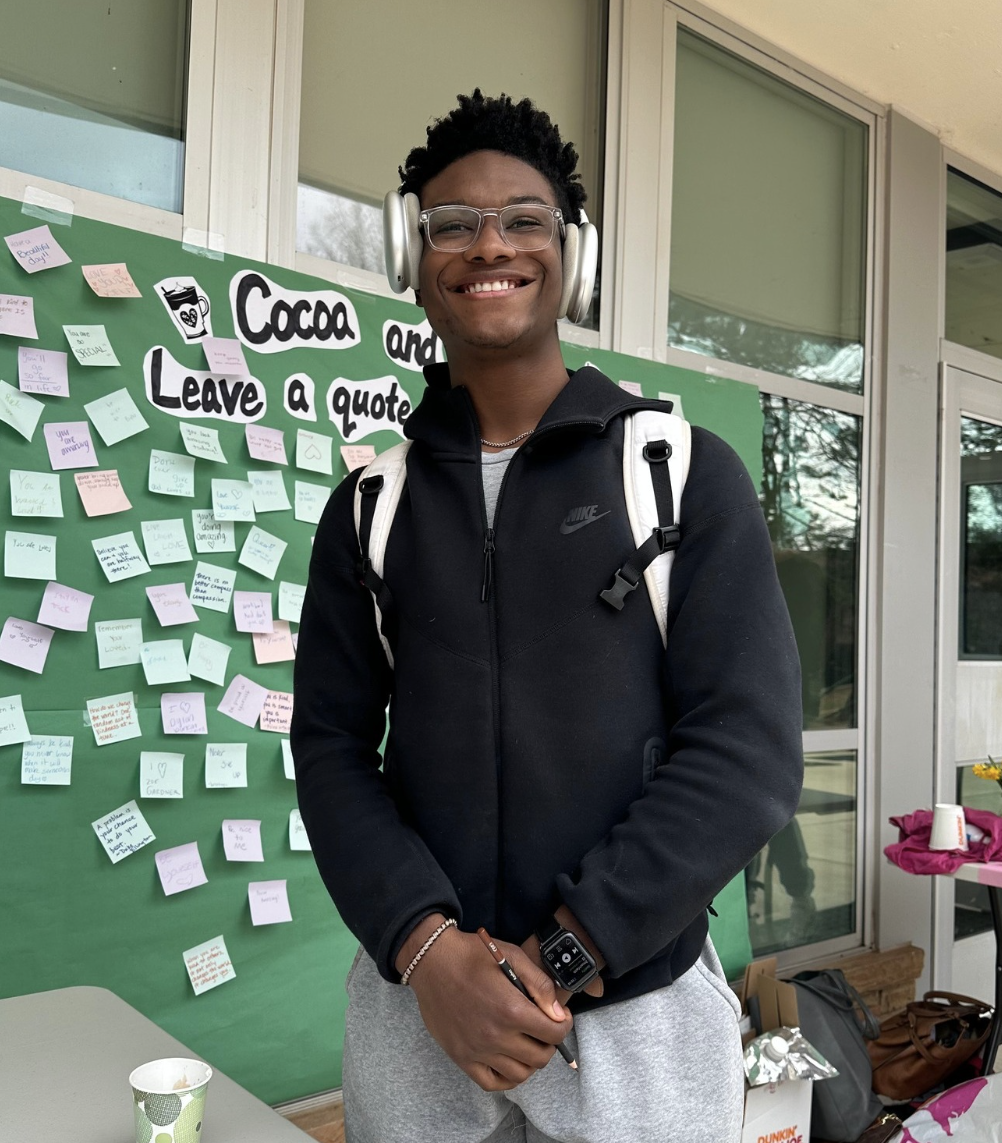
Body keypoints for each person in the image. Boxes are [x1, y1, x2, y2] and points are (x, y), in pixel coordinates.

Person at [292, 90, 804, 1143]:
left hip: (637, 1014)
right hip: (417, 1012)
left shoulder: (679, 473)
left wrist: (565, 952)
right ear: (408, 252)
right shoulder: (367, 509)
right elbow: (330, 746)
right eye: (452, 223)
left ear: (575, 252)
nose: (490, 244)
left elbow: (746, 749)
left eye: (524, 218)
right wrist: (428, 954)